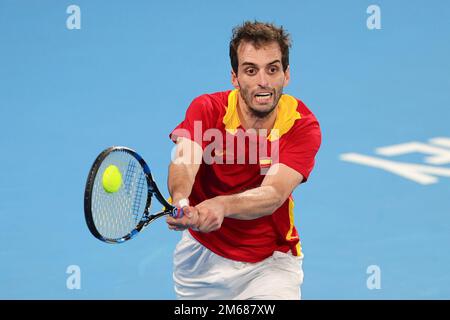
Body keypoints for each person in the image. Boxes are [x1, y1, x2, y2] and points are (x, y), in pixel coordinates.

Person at [166, 20, 321, 300]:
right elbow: (184, 161)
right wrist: (180, 200)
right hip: (200, 263)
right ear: (235, 78)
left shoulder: (300, 124)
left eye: (272, 69)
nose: (263, 81)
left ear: (286, 75)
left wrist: (222, 205)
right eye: (251, 70)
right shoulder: (207, 109)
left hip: (270, 265)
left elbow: (273, 193)